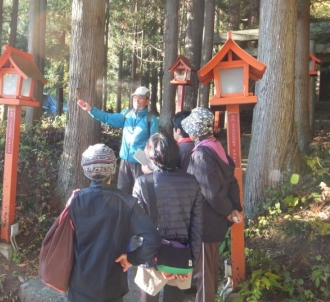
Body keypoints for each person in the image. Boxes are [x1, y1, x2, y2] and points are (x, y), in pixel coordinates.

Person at [68, 143, 162, 302]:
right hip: (111, 286)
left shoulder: (75, 200)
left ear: (86, 170)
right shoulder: (128, 203)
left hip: (79, 284)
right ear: (113, 169)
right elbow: (153, 239)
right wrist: (132, 258)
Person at [181, 107, 243, 302]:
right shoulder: (216, 146)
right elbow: (231, 181)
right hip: (215, 219)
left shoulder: (201, 154)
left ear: (196, 130)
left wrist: (228, 211)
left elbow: (210, 191)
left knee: (204, 273)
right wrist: (234, 208)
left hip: (206, 221)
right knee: (209, 268)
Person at [132, 132, 203, 302]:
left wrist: (151, 263)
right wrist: (190, 261)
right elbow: (197, 226)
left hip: (151, 254)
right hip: (181, 253)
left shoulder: (143, 183)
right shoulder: (191, 182)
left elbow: (138, 228)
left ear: (151, 156)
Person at [77, 86, 159, 194]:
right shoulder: (127, 115)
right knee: (122, 191)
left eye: (141, 98)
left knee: (141, 192)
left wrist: (151, 164)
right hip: (124, 161)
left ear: (147, 101)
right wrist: (91, 110)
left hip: (141, 163)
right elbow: (108, 118)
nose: (136, 100)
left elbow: (154, 144)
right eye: (135, 97)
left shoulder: (151, 119)